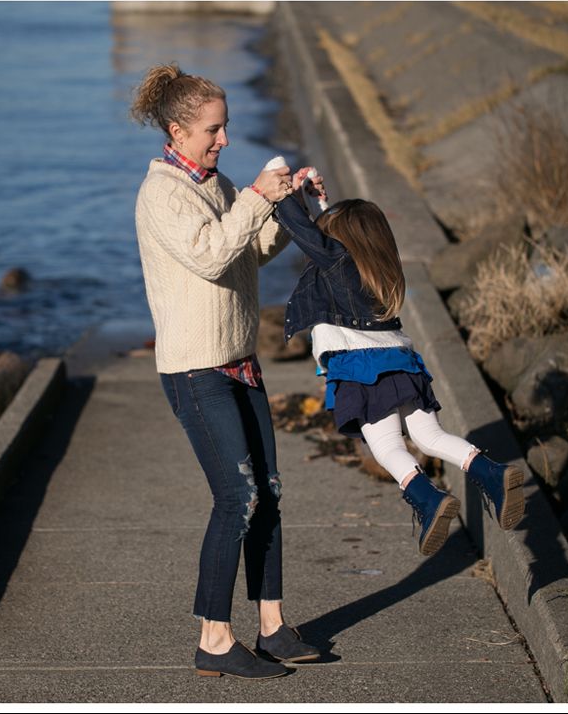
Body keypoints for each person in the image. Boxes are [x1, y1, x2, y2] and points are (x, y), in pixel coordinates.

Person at [129, 63, 322, 679]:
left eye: (226, 128)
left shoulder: (217, 182)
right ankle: (213, 639)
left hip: (240, 361)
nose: (223, 140)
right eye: (213, 130)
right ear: (179, 129)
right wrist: (257, 199)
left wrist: (293, 206)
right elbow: (211, 254)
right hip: (194, 369)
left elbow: (252, 251)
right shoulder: (162, 192)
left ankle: (272, 628)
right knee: (235, 496)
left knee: (269, 492)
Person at [273, 173, 525, 556]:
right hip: (402, 361)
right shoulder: (380, 267)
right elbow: (335, 241)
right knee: (430, 438)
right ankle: (490, 472)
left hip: (359, 367)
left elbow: (312, 239)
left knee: (387, 447)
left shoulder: (338, 265)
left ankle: (427, 499)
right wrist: (319, 205)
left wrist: (285, 196)